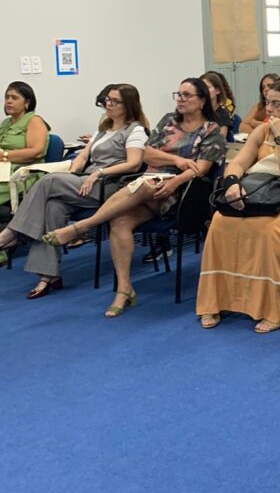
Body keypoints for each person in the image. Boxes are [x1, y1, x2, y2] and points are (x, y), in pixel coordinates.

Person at [41, 78, 226, 317]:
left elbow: (200, 169)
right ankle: (124, 289)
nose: (180, 100)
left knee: (146, 184)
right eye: (178, 94)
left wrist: (174, 181)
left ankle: (83, 227)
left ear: (201, 101)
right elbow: (146, 154)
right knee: (120, 221)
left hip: (184, 192)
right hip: (148, 188)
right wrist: (176, 160)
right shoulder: (169, 121)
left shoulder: (212, 130)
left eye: (186, 95)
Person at [195, 78, 280, 333]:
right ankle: (216, 300)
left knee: (268, 231)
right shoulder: (262, 131)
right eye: (268, 103)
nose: (270, 109)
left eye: (277, 104)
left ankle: (278, 309)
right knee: (220, 222)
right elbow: (238, 163)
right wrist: (232, 183)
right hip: (261, 191)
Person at [0, 85, 149, 297]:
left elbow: (133, 164)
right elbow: (83, 156)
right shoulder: (104, 128)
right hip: (85, 182)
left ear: (128, 105)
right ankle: (48, 276)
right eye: (107, 100)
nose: (108, 104)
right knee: (53, 206)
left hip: (110, 186)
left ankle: (11, 234)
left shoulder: (135, 130)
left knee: (47, 181)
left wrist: (98, 173)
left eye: (114, 101)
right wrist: (72, 172)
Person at [0, 82, 49, 212]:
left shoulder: (34, 120)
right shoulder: (5, 123)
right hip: (4, 169)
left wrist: (4, 156)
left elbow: (36, 152)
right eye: (7, 97)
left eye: (14, 98)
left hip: (23, 175)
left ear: (27, 102)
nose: (9, 101)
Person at [202, 70, 235, 139]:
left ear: (217, 90)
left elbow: (220, 140)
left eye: (208, 87)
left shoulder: (223, 115)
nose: (204, 90)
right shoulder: (197, 112)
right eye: (202, 88)